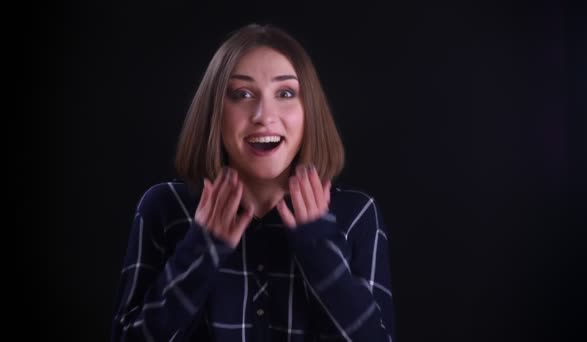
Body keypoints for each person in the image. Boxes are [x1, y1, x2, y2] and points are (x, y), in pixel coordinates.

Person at [111, 23, 395, 341]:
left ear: (309, 111)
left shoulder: (356, 213)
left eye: (286, 93)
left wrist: (320, 250)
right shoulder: (164, 207)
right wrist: (200, 250)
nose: (263, 114)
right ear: (215, 111)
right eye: (242, 94)